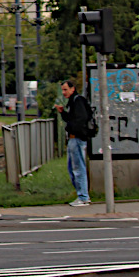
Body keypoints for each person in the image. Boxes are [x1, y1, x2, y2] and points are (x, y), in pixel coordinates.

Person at [56, 78, 92, 206]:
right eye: (62, 90)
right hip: (73, 138)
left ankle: (83, 197)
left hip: (77, 138)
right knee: (72, 168)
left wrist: (73, 128)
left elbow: (80, 119)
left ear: (73, 89)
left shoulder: (78, 101)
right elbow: (71, 118)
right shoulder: (72, 102)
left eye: (66, 89)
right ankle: (81, 195)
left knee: (78, 168)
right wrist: (62, 113)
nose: (64, 92)